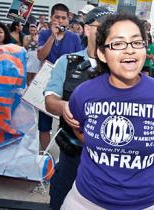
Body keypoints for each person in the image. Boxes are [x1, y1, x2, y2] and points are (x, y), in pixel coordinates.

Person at [61, 13, 154, 210]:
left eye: (137, 42)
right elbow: (79, 130)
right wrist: (104, 145)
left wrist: (137, 147)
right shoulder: (84, 93)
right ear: (102, 53)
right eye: (118, 44)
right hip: (85, 201)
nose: (129, 50)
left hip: (144, 203)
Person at [44, 7, 113, 210]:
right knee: (59, 201)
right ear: (86, 29)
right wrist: (65, 106)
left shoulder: (120, 65)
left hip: (107, 160)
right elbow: (50, 100)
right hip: (72, 154)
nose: (105, 32)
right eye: (100, 27)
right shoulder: (67, 62)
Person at [37, 3, 81, 150]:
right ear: (51, 18)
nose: (60, 21)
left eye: (63, 18)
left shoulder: (74, 38)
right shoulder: (44, 34)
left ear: (68, 20)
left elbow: (79, 60)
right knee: (44, 123)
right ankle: (43, 155)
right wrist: (52, 36)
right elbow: (41, 55)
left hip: (67, 84)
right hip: (47, 83)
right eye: (57, 17)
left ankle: (59, 156)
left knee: (66, 121)